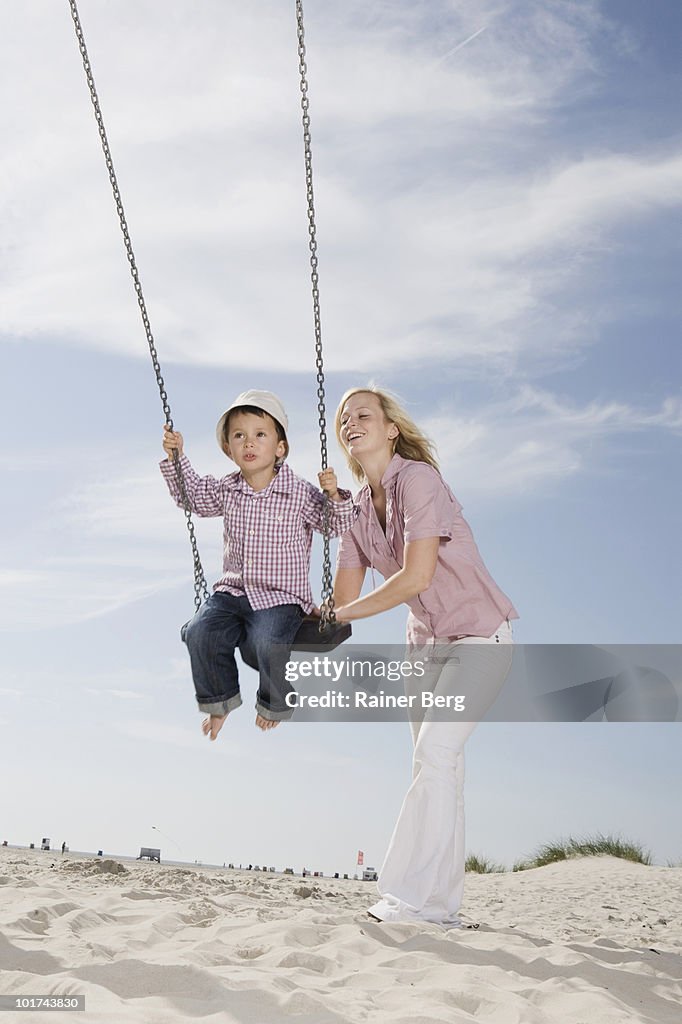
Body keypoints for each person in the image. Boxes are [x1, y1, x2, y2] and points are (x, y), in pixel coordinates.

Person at [332, 386, 518, 927]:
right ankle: (439, 906)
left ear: (391, 428)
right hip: (424, 647)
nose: (351, 422)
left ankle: (405, 897)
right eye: (345, 419)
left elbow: (417, 575)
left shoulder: (418, 480)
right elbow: (345, 600)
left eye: (363, 414)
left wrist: (340, 617)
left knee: (436, 755)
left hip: (481, 636)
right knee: (440, 769)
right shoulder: (355, 510)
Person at [161, 389, 356, 738]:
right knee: (199, 632)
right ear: (229, 449)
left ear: (280, 448)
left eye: (260, 435)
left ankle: (275, 700)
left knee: (265, 644)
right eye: (239, 436)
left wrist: (333, 496)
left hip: (280, 597)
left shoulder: (298, 492)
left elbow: (337, 525)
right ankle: (219, 702)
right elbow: (191, 496)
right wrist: (177, 458)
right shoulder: (227, 489)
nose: (249, 443)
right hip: (232, 592)